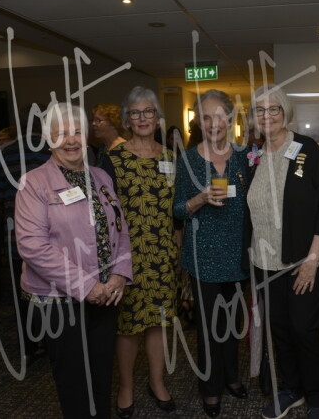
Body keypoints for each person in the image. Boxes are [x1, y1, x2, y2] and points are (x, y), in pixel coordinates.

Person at [15, 102, 132, 418]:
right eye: (61, 133)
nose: (70, 140)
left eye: (77, 132)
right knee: (74, 382)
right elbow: (32, 246)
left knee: (101, 375)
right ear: (48, 138)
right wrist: (87, 286)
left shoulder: (101, 177)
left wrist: (120, 274)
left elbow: (120, 228)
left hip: (105, 295)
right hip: (59, 301)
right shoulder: (33, 183)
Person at [245, 84, 319, 419]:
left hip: (301, 261)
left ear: (285, 112)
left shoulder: (307, 149)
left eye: (274, 109)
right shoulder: (253, 156)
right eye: (260, 110)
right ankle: (291, 389)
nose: (267, 116)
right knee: (279, 330)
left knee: (303, 330)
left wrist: (313, 260)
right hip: (264, 263)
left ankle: (317, 396)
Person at [174, 89, 249, 418]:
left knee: (233, 323)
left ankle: (231, 376)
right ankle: (210, 388)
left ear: (230, 119)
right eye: (206, 117)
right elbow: (177, 209)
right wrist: (199, 199)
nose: (213, 123)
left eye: (219, 116)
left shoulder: (245, 156)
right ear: (199, 123)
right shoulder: (188, 160)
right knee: (208, 327)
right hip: (202, 256)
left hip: (239, 255)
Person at [108, 86, 178, 417]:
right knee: (128, 325)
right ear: (126, 119)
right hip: (127, 256)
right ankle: (125, 387)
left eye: (148, 111)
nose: (142, 118)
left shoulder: (171, 158)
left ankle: (156, 382)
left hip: (163, 254)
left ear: (158, 116)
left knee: (158, 323)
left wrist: (179, 250)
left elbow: (178, 210)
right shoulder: (112, 159)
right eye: (135, 113)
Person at [0, 106, 51, 363]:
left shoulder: (4, 153)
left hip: (17, 234)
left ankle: (29, 346)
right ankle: (53, 342)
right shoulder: (53, 150)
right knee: (53, 291)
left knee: (23, 294)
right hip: (51, 236)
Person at [91, 103, 127, 171]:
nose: (93, 123)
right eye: (93, 120)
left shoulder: (123, 150)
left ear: (113, 123)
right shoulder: (103, 148)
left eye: (98, 120)